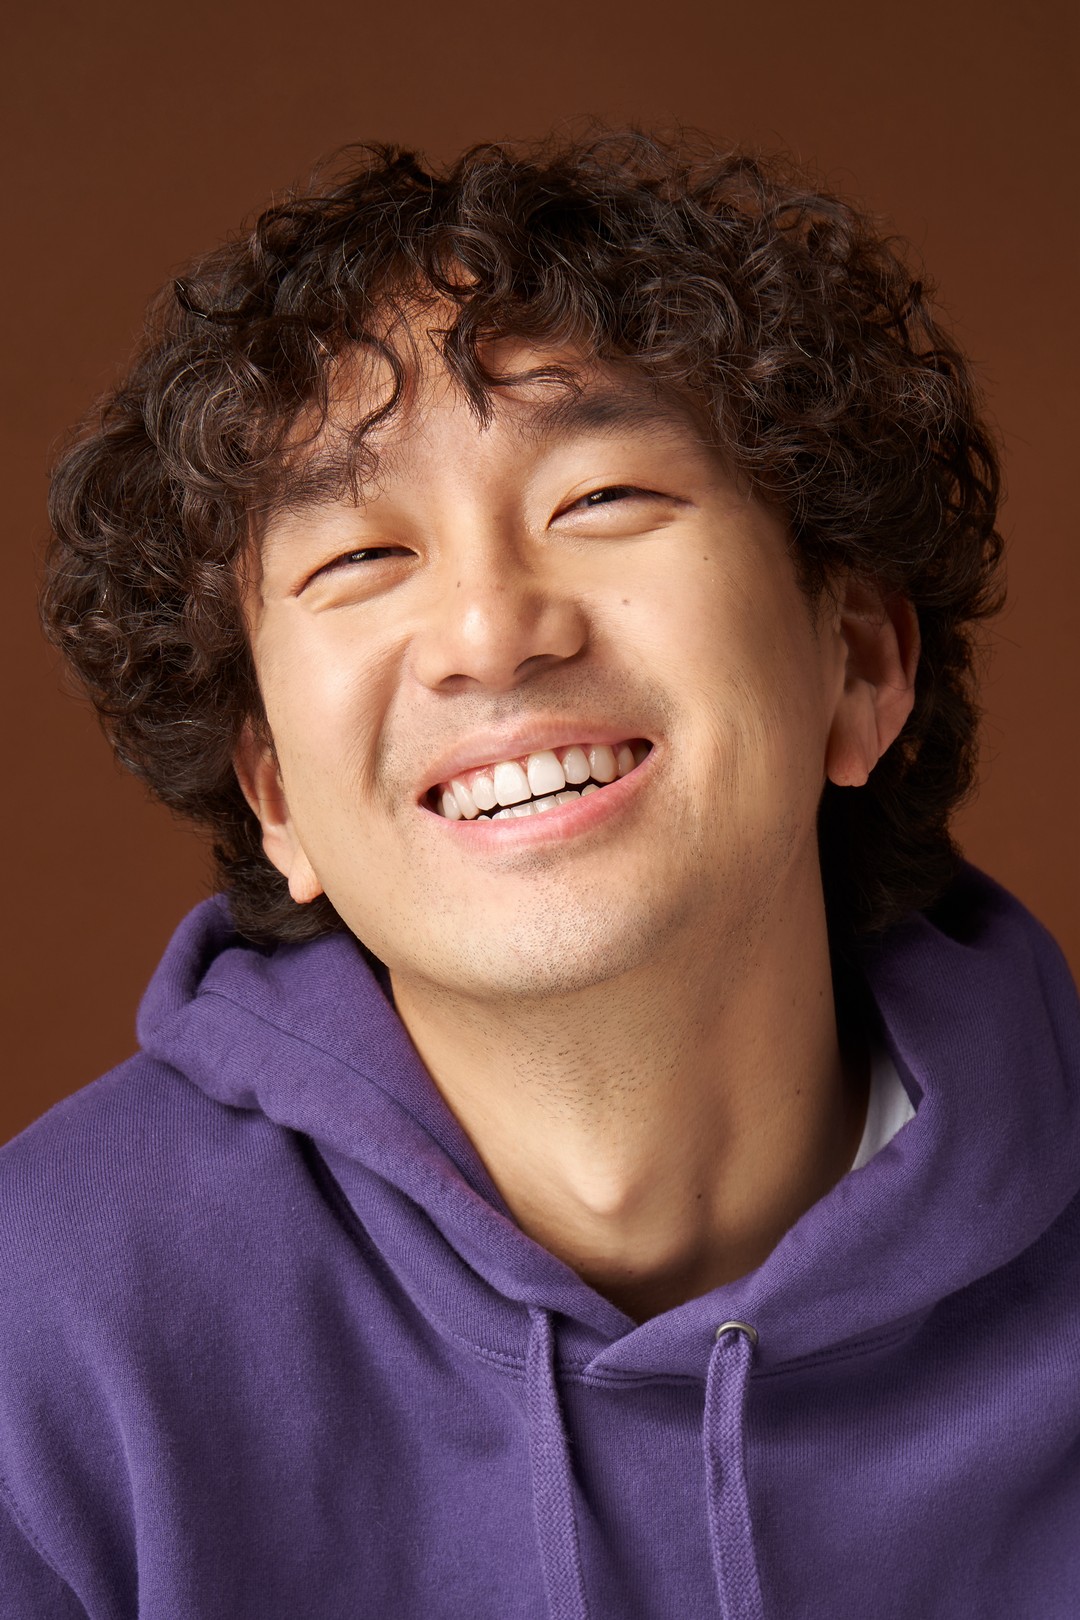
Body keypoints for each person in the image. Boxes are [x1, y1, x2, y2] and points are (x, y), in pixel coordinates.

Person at [2, 131, 1077, 1619]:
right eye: (358, 559)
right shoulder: (42, 1344)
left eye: (602, 499)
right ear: (274, 799)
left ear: (858, 662)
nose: (492, 633)